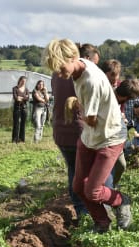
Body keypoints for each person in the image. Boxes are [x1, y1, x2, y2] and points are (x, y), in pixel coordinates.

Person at [43, 38, 132, 233]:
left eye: (60, 67)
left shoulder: (90, 81)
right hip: (90, 136)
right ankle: (102, 223)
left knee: (93, 191)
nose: (59, 73)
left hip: (109, 136)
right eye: (55, 69)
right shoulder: (81, 66)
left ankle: (121, 201)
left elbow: (90, 120)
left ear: (74, 57)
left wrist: (75, 105)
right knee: (78, 187)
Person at [51, 73, 88, 218]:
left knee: (73, 169)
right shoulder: (80, 73)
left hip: (60, 130)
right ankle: (85, 209)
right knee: (84, 172)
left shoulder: (55, 74)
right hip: (78, 129)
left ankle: (80, 209)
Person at [12, 76, 30, 143]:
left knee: (23, 124)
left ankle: (22, 140)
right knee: (16, 124)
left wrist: (21, 97)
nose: (23, 82)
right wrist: (24, 97)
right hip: (17, 108)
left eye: (25, 81)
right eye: (22, 81)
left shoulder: (26, 89)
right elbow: (15, 98)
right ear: (19, 80)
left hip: (24, 108)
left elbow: (28, 98)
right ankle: (15, 139)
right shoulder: (15, 88)